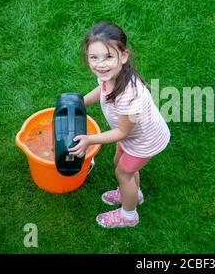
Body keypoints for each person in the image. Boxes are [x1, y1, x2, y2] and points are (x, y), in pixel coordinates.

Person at [68, 22, 170, 228]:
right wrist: (82, 101)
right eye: (93, 57)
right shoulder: (111, 76)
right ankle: (133, 193)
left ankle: (128, 215)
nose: (100, 64)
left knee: (123, 173)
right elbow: (102, 89)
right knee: (120, 163)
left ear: (123, 56)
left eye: (108, 57)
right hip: (133, 136)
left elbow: (123, 132)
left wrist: (90, 140)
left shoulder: (129, 96)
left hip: (143, 141)